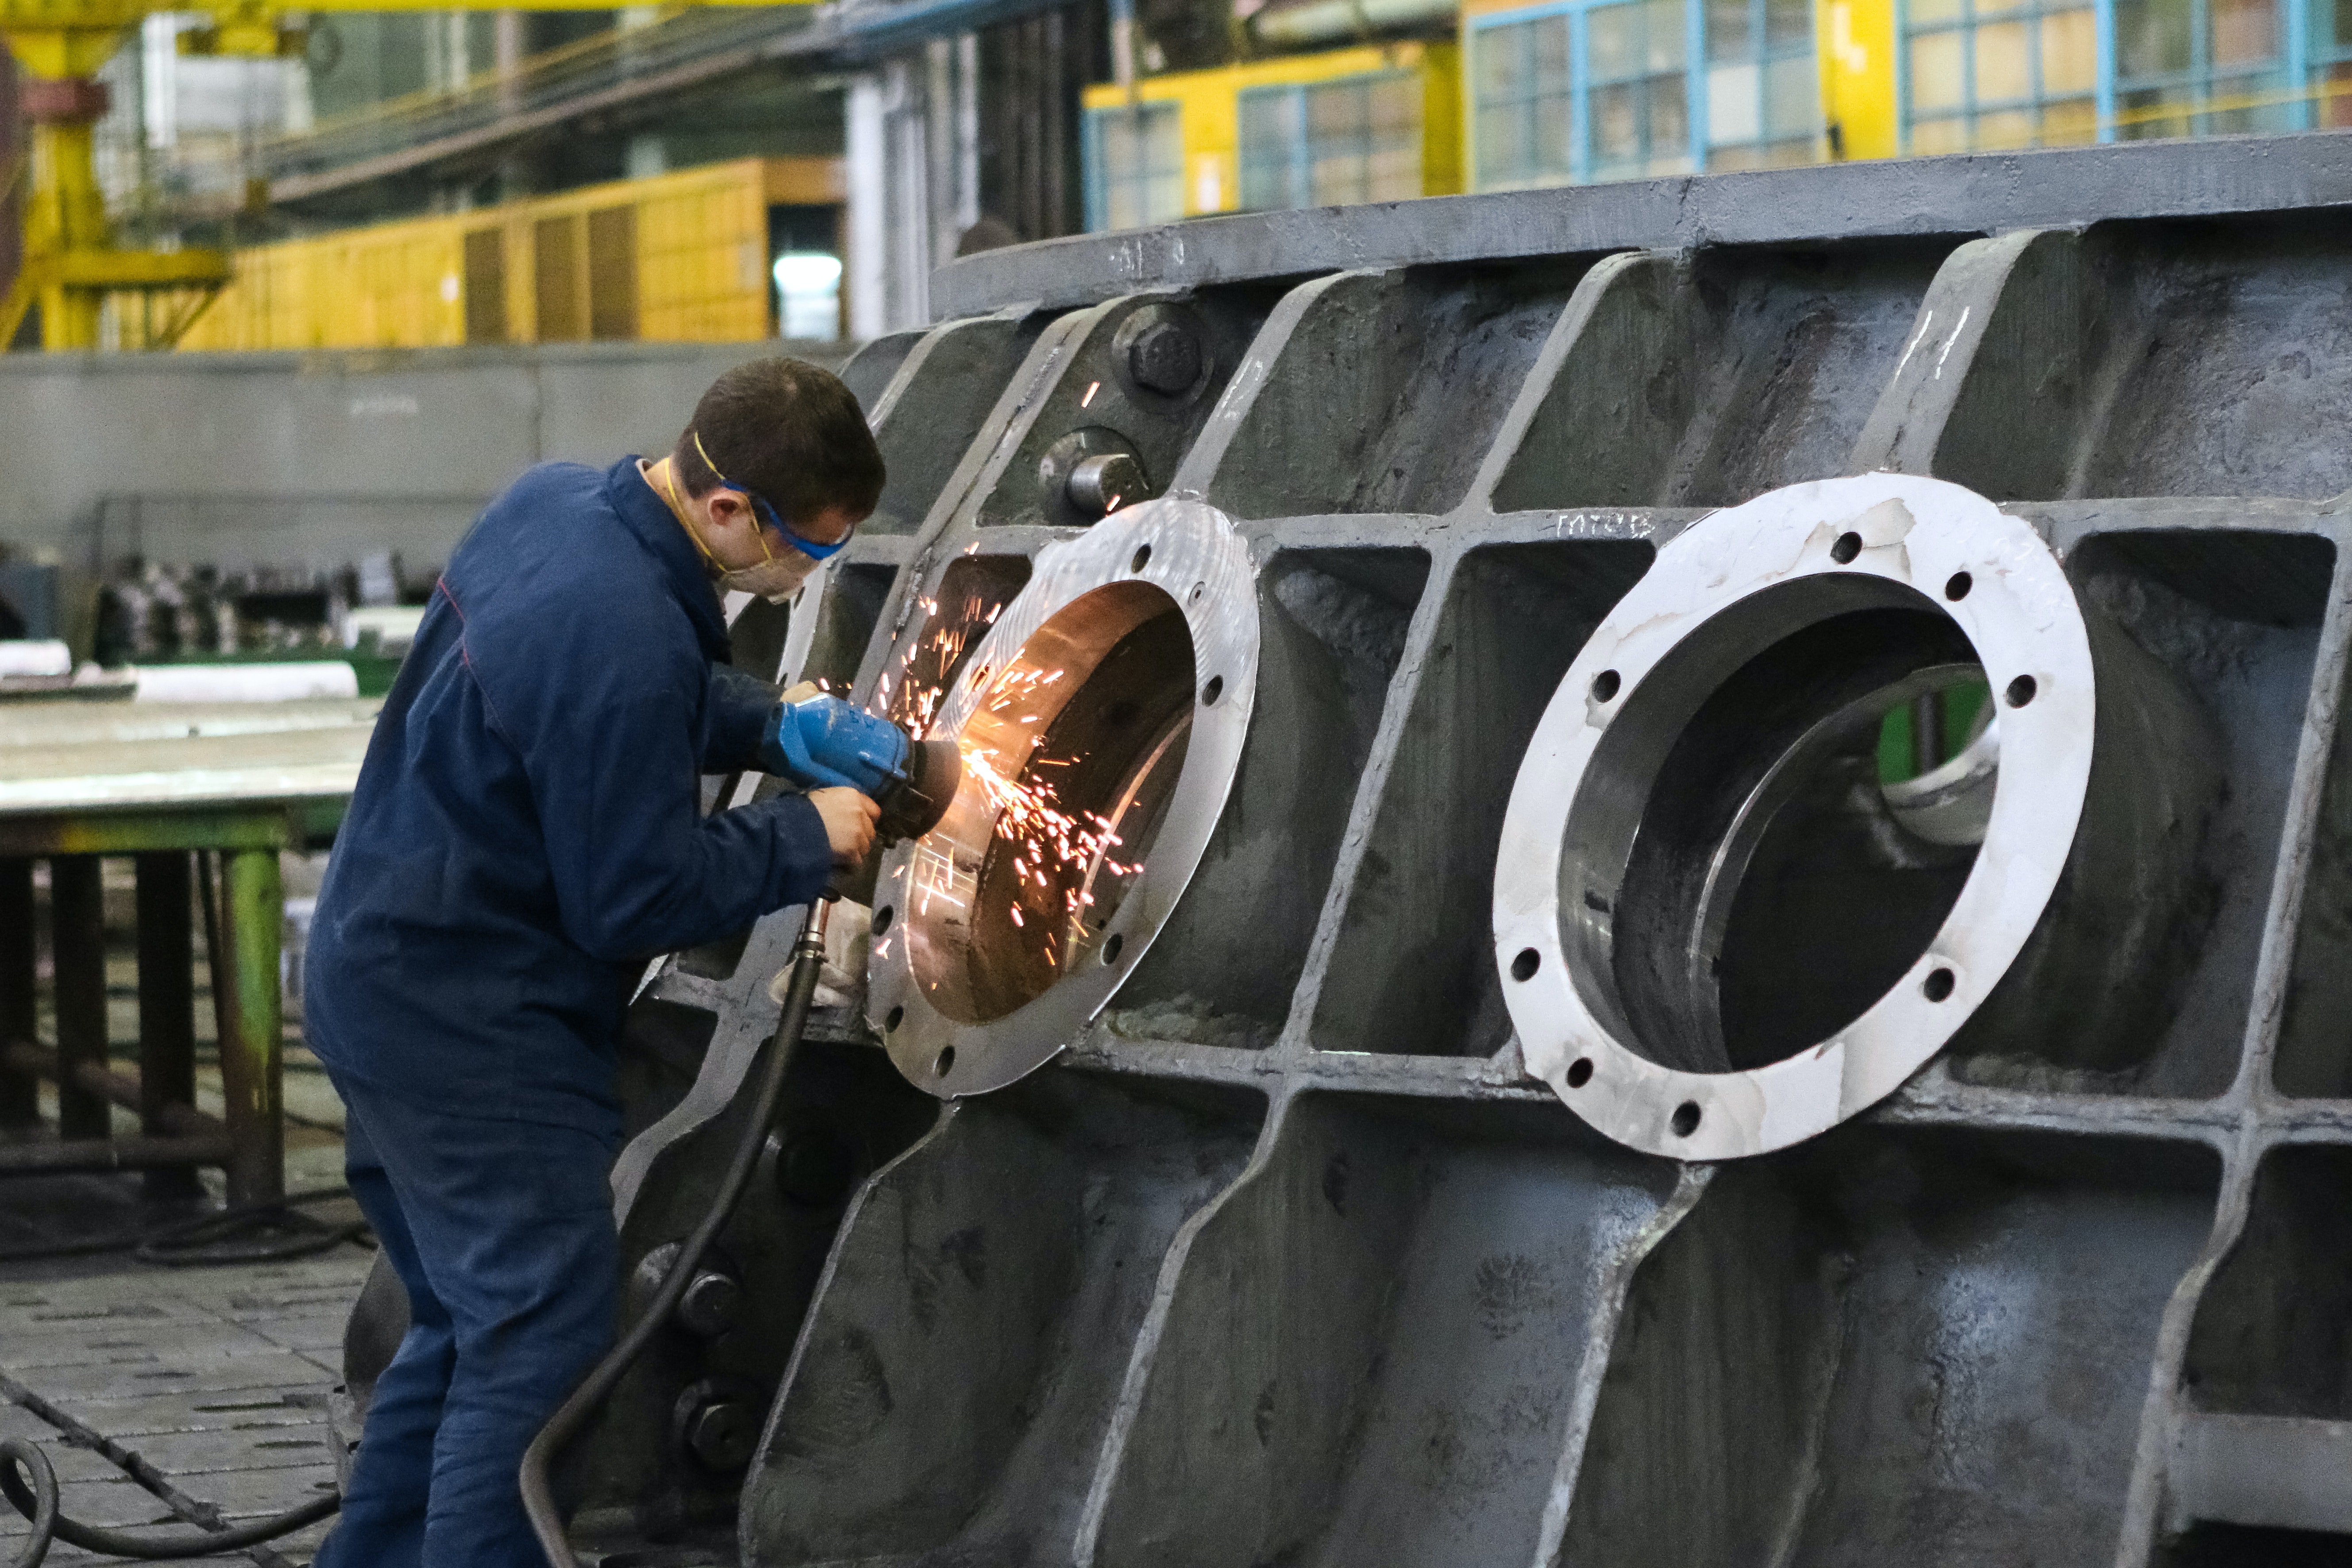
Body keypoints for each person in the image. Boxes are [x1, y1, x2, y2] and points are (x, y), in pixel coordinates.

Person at [304, 356, 885, 1568]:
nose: (803, 573)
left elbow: (612, 696)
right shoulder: (615, 625)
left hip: (381, 972)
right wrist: (801, 836)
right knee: (535, 1338)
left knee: (462, 1324)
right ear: (731, 511)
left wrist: (776, 723)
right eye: (804, 551)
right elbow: (632, 895)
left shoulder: (558, 504)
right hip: (470, 1026)